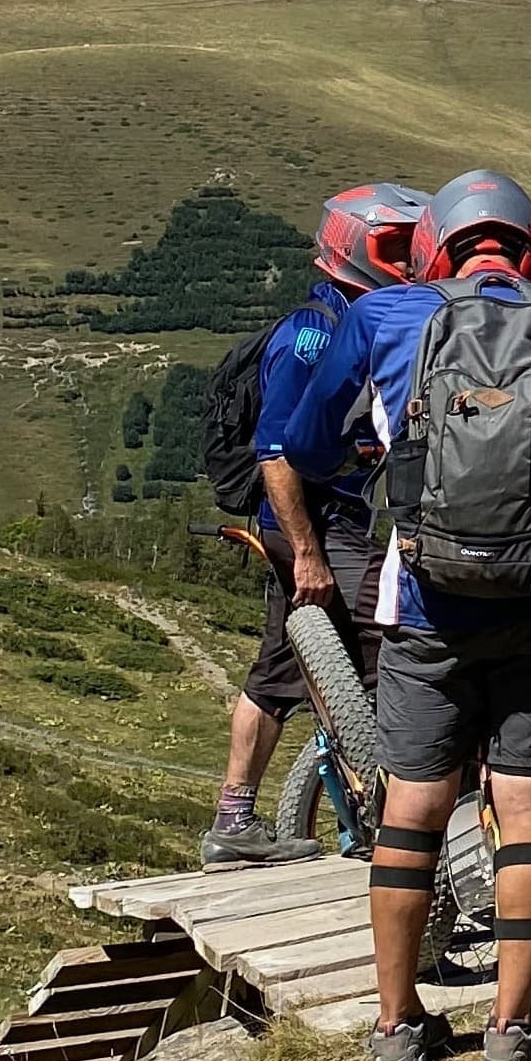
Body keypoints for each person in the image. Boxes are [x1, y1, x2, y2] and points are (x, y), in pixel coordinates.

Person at [275, 169, 531, 1061]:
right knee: (530, 801)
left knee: (413, 803)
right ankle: (511, 1026)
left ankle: (395, 1026)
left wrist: (378, 442)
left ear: (435, 247)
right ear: (530, 244)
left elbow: (306, 446)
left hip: (424, 604)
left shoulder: (381, 321)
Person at [202, 182, 427, 864]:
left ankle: (235, 822)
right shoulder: (311, 333)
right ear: (354, 248)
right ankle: (401, 820)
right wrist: (306, 550)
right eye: (398, 248)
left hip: (331, 516)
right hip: (311, 519)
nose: (412, 262)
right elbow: (275, 451)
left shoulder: (361, 320)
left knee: (276, 668)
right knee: (387, 638)